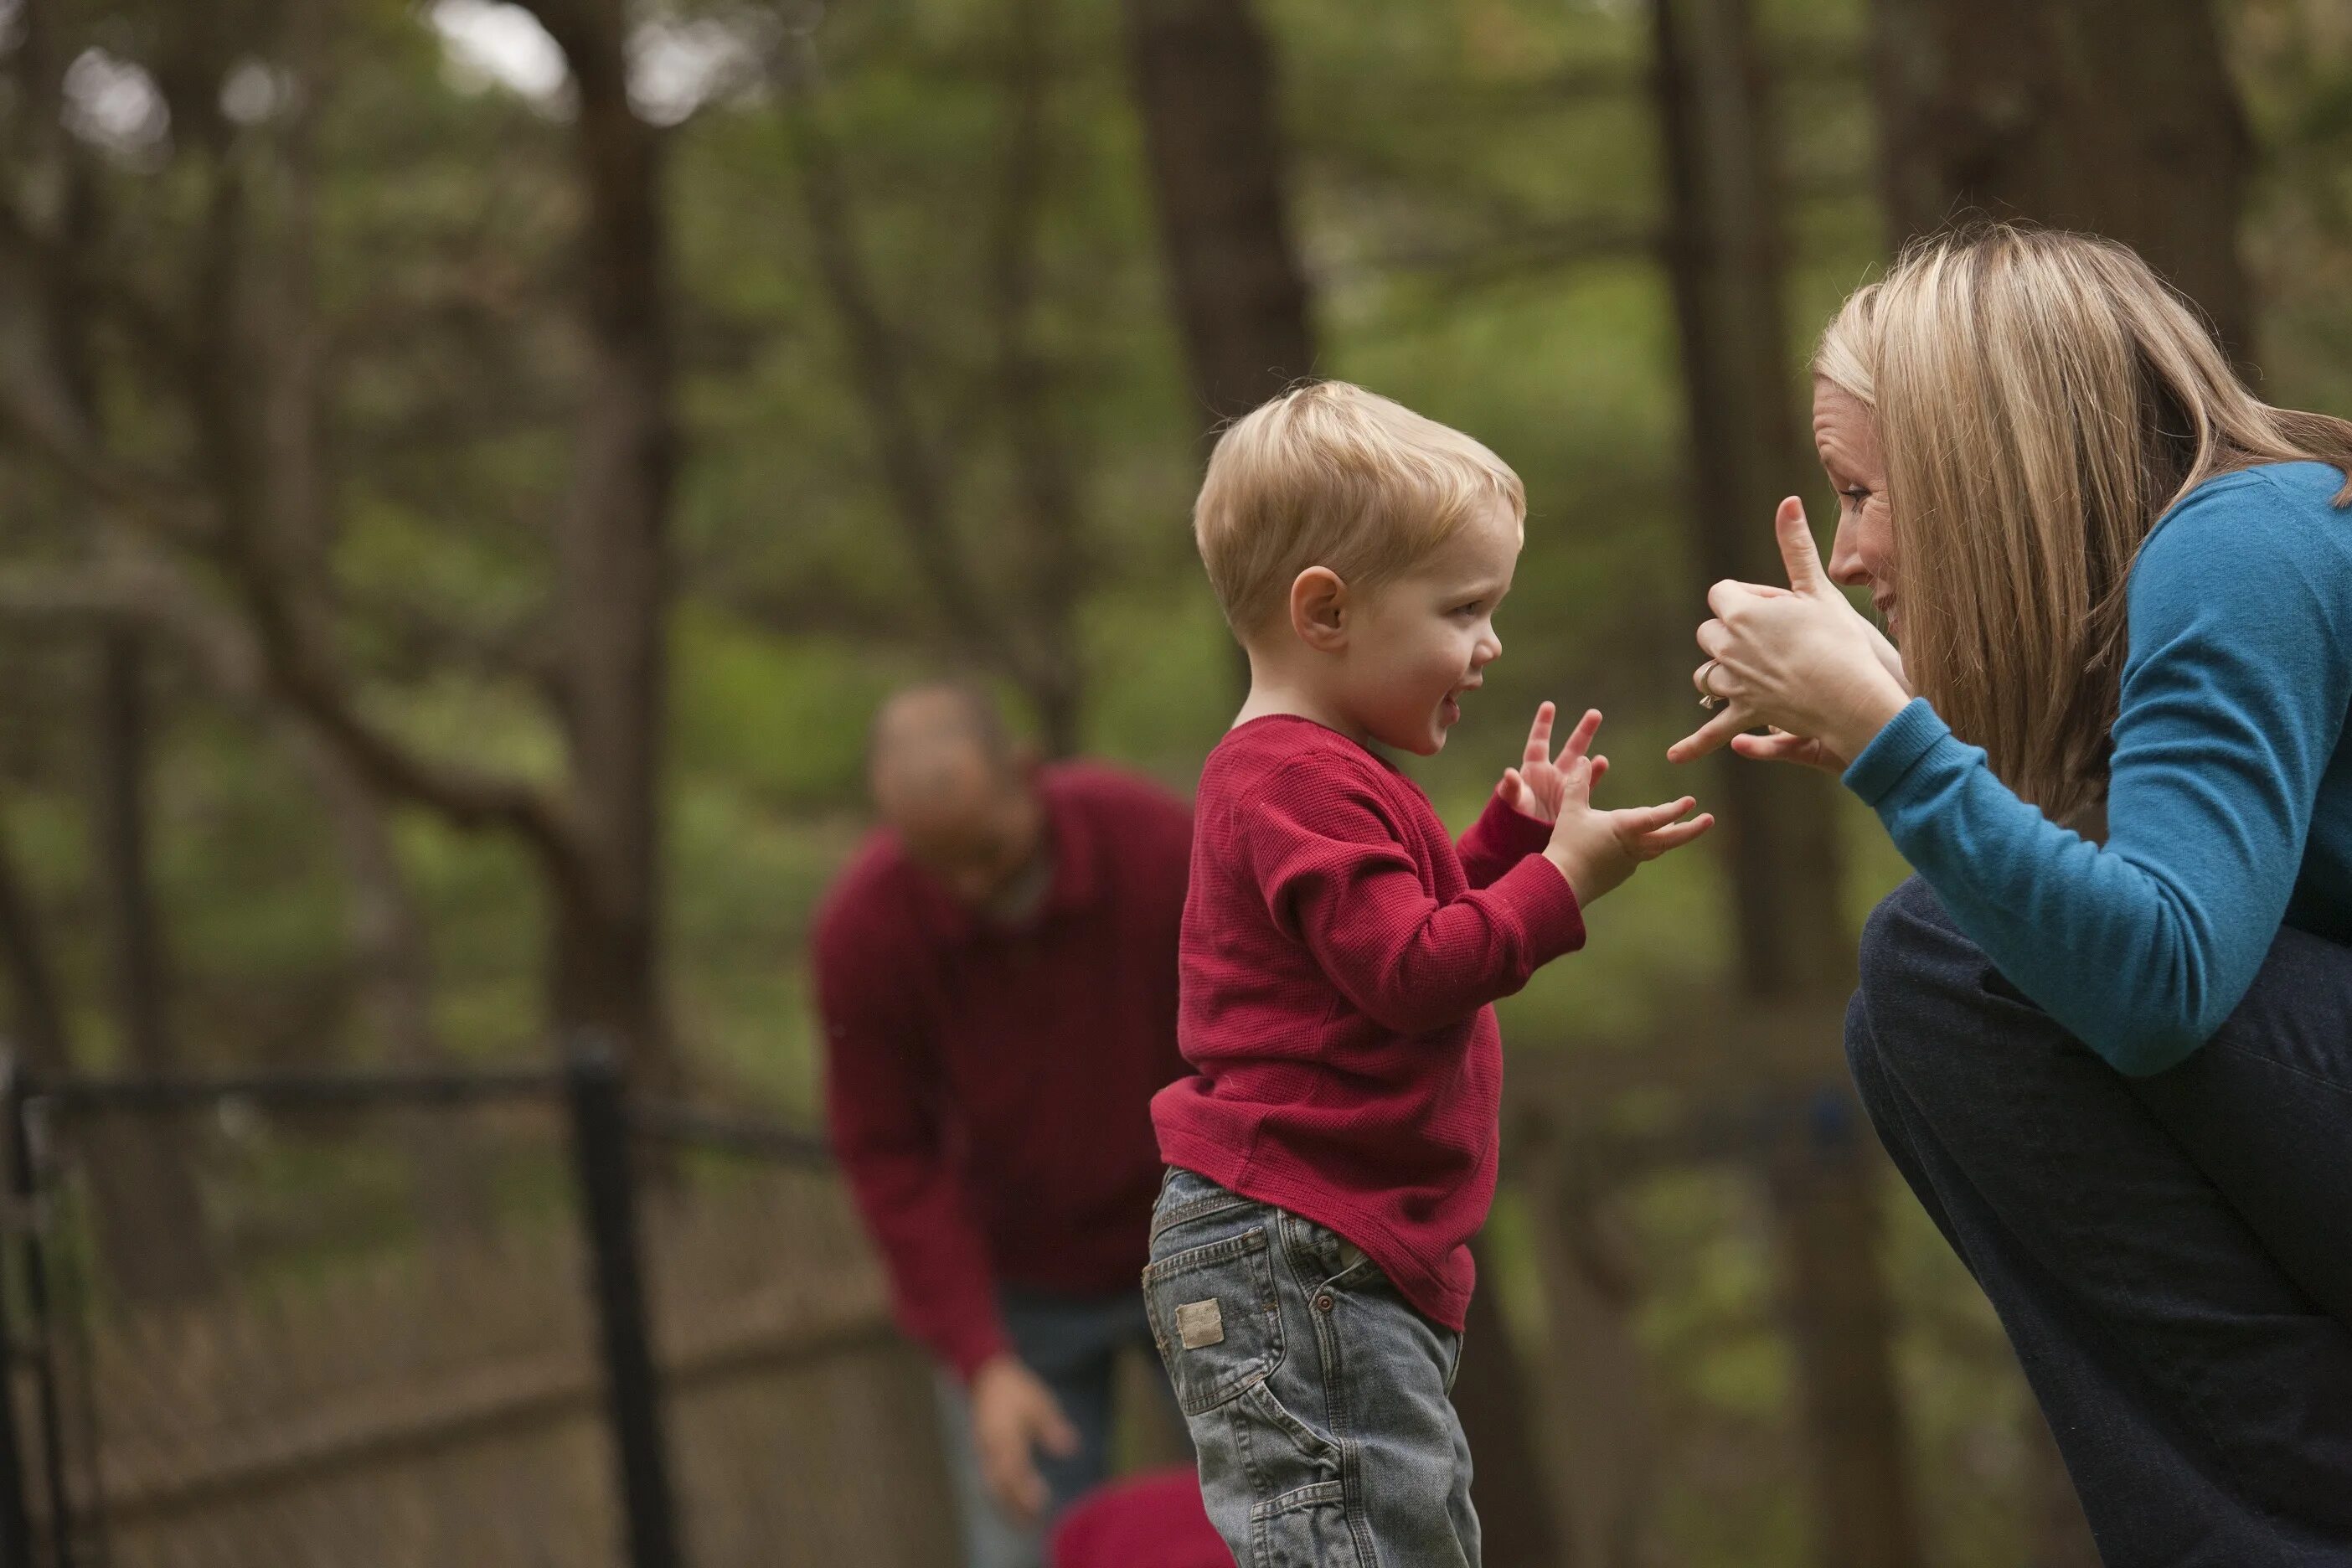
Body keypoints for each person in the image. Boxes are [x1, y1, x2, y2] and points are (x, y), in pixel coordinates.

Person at [1670, 225, 2352, 1566]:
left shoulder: (2241, 546)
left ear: (1985, 461)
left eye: (1865, 491)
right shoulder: (2224, 558)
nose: (1854, 552)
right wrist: (1918, 738)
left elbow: (2161, 984)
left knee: (1946, 965)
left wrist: (1894, 742)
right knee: (1931, 990)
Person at [1144, 381, 1714, 1565]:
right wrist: (1562, 886)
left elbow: (1374, 948)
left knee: (1408, 1533)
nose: (1490, 645)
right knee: (1360, 1541)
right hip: (1293, 1249)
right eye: (1463, 609)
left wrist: (1509, 842)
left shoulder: (1316, 775)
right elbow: (1412, 973)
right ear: (1327, 610)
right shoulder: (1291, 780)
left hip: (1324, 1250)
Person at [813, 683, 1194, 1568]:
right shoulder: (864, 934)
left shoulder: (1153, 847)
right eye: (937, 866)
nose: (970, 887)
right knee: (1023, 1545)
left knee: (1283, 1519)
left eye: (985, 851)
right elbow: (889, 1156)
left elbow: (1259, 1044)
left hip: (1196, 1246)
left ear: (1027, 775)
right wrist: (980, 1359)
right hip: (1023, 1297)